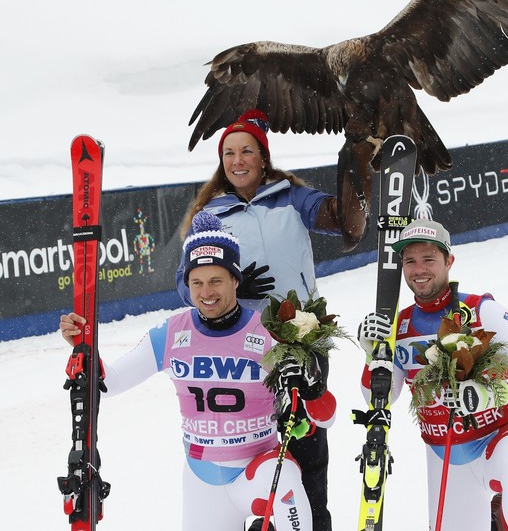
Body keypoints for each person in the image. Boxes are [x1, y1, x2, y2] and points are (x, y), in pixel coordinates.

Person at [60, 211, 335, 531]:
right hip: (203, 481)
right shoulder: (171, 334)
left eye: (216, 280)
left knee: (287, 482)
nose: (207, 292)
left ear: (235, 279)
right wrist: (83, 349)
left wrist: (312, 386)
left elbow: (325, 417)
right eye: (197, 282)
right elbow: (112, 381)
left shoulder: (268, 332)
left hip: (259, 472)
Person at [176, 109, 377, 531]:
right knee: (252, 444)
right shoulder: (210, 214)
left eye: (246, 150)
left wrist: (356, 164)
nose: (237, 161)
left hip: (302, 337)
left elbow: (345, 220)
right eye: (229, 153)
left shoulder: (292, 196)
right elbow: (184, 284)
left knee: (306, 444)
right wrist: (236, 287)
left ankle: (314, 520)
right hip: (240, 344)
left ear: (263, 156)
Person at [357, 219, 508, 531]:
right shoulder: (399, 326)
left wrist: (493, 394)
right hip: (445, 454)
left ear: (449, 261)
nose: (419, 269)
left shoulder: (481, 310)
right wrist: (372, 356)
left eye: (429, 259)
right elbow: (380, 398)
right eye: (410, 261)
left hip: (498, 440)